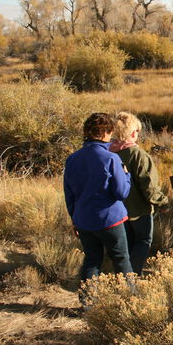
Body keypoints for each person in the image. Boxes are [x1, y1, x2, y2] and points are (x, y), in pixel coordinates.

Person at [64, 113, 133, 286]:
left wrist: (74, 219)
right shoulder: (111, 158)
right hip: (110, 220)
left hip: (83, 220)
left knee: (92, 261)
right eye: (110, 132)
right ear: (105, 133)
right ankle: (131, 300)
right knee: (121, 259)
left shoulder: (72, 159)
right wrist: (126, 175)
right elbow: (121, 193)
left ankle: (87, 303)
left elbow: (69, 193)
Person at [110, 112, 169, 276]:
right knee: (143, 241)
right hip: (139, 210)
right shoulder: (137, 154)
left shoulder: (110, 152)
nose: (138, 134)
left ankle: (121, 274)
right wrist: (162, 203)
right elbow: (149, 186)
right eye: (137, 130)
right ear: (133, 132)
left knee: (126, 244)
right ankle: (132, 276)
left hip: (117, 210)